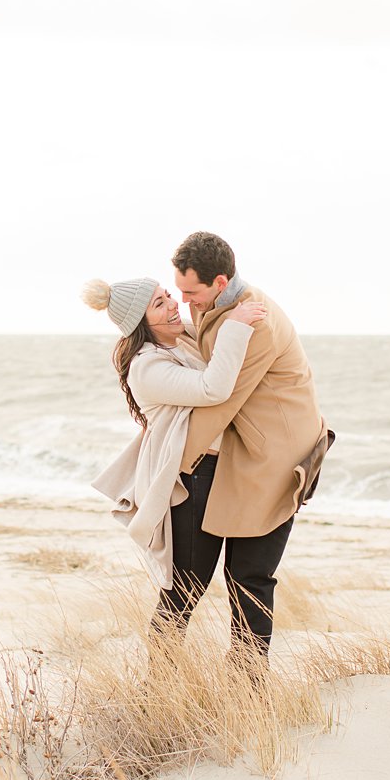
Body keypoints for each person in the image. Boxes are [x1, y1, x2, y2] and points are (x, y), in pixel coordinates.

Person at [168, 231, 329, 663]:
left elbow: (222, 400)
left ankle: (248, 691)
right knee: (197, 578)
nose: (186, 302)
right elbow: (200, 340)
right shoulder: (216, 307)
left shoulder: (253, 321)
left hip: (278, 457)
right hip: (245, 453)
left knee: (249, 579)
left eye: (191, 292)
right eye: (179, 292)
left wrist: (169, 463)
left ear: (220, 282)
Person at [82, 276, 268, 639]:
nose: (172, 304)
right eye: (159, 304)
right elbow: (212, 388)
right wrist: (234, 326)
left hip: (222, 470)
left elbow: (207, 328)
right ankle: (159, 687)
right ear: (141, 324)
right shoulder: (147, 367)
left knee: (232, 580)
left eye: (167, 295)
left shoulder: (180, 340)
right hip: (191, 479)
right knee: (185, 590)